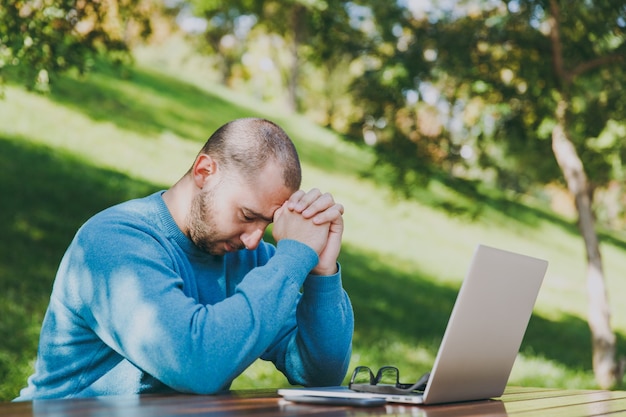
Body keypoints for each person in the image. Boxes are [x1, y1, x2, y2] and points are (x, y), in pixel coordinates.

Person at [15, 117, 353, 400]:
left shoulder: (252, 260)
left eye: (267, 224)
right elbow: (196, 364)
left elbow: (318, 374)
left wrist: (321, 273)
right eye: (248, 215)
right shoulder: (114, 242)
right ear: (205, 171)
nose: (254, 240)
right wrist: (292, 258)